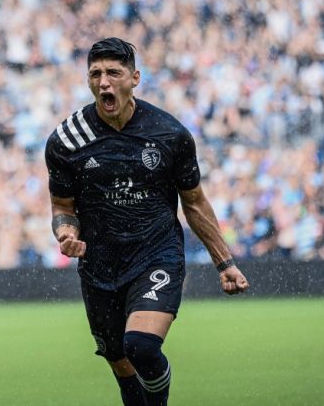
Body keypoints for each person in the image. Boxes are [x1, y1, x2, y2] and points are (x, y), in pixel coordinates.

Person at [45, 37, 250, 406]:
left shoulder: (169, 134)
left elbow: (195, 203)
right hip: (100, 265)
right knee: (121, 365)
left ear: (135, 77)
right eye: (95, 74)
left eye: (113, 72)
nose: (104, 81)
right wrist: (66, 232)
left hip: (156, 255)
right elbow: (62, 205)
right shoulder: (66, 140)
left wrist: (226, 262)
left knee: (140, 346)